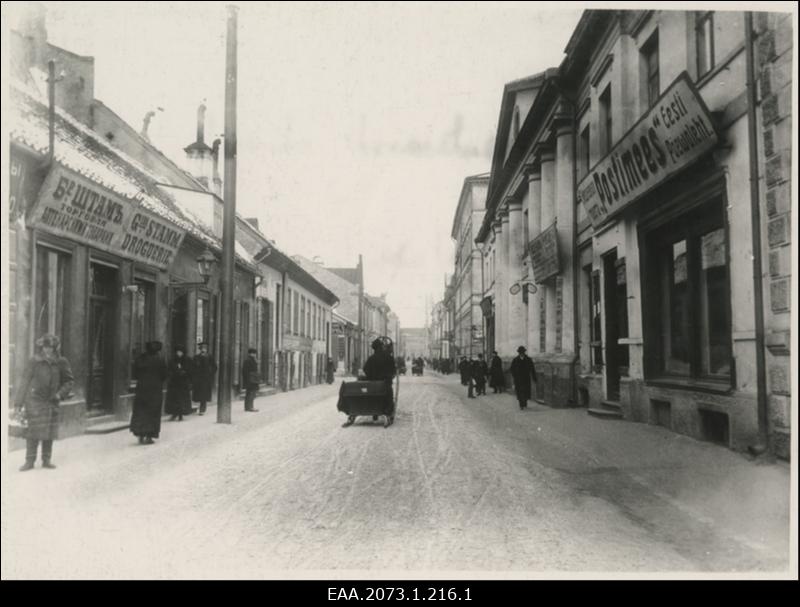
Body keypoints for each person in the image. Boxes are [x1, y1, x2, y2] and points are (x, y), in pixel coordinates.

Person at [14, 334, 75, 471]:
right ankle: (29, 461)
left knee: (49, 431)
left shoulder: (61, 362)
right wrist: (18, 403)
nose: (48, 350)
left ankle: (46, 459)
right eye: (45, 347)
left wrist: (59, 394)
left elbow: (69, 381)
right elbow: (25, 381)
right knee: (32, 432)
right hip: (34, 401)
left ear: (55, 348)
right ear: (42, 347)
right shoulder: (34, 361)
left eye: (51, 347)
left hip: (52, 401)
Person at [131, 341, 167, 444]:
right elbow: (164, 375)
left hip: (142, 389)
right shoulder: (160, 360)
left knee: (141, 411)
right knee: (153, 412)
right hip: (155, 390)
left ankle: (140, 433)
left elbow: (135, 374)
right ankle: (149, 436)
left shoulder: (141, 358)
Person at [165, 345, 193, 421]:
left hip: (183, 383)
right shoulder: (172, 360)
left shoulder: (187, 360)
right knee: (174, 399)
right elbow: (169, 370)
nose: (179, 353)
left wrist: (185, 373)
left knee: (182, 399)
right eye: (178, 352)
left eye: (180, 352)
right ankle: (174, 413)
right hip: (174, 383)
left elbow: (190, 370)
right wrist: (172, 374)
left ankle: (181, 414)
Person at [192, 341, 217, 416]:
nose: (204, 349)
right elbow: (193, 367)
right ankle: (201, 407)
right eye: (202, 348)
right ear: (200, 349)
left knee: (204, 394)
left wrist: (210, 373)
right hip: (198, 378)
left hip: (206, 378)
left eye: (205, 348)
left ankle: (202, 409)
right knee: (199, 394)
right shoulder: (196, 357)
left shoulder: (210, 357)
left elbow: (215, 367)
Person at [510, 346, 537, 410]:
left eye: (522, 352)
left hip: (526, 378)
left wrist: (534, 377)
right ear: (519, 353)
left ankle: (524, 402)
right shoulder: (515, 360)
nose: (521, 353)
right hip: (518, 379)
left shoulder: (528, 359)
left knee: (525, 391)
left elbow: (532, 369)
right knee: (519, 392)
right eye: (520, 352)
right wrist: (514, 375)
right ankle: (521, 404)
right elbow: (512, 369)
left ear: (524, 352)